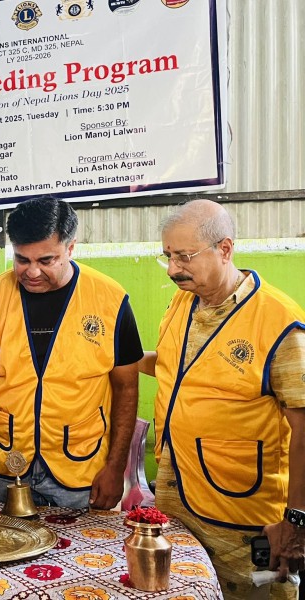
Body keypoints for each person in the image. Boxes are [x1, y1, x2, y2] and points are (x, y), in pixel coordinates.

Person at [0, 197, 143, 509]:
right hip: (7, 466)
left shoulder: (111, 301)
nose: (32, 272)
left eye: (46, 260)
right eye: (22, 259)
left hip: (79, 471)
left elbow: (126, 387)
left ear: (71, 248)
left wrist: (116, 467)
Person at [140, 199, 304, 600]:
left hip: (242, 513)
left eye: (184, 256)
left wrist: (297, 521)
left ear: (225, 249)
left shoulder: (278, 321)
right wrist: (112, 360)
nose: (174, 269)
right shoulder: (183, 301)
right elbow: (180, 368)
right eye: (167, 257)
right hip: (177, 500)